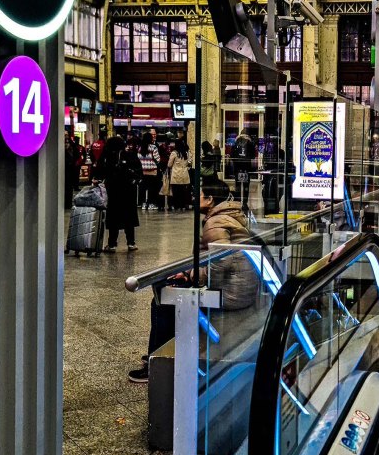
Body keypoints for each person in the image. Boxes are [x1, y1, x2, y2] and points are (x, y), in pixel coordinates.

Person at [127, 180, 258, 383]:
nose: (195, 198)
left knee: (163, 301)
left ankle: (156, 363)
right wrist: (189, 272)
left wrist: (193, 277)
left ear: (210, 199)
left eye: (199, 195)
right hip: (240, 286)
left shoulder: (215, 222)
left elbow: (222, 261)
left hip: (231, 293)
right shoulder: (229, 215)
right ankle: (159, 354)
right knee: (170, 293)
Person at [94, 136, 142, 252]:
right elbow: (139, 172)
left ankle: (112, 244)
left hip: (113, 191)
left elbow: (100, 171)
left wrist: (97, 179)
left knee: (114, 217)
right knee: (129, 216)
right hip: (129, 191)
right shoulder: (130, 155)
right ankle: (131, 243)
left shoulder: (107, 156)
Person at [232, 128, 256, 211]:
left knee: (238, 185)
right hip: (246, 167)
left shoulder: (236, 142)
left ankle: (238, 202)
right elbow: (253, 156)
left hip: (237, 167)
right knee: (246, 185)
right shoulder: (250, 142)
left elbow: (232, 155)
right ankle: (244, 203)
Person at [168, 139, 193, 210]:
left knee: (176, 191)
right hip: (184, 174)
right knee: (183, 191)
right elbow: (190, 163)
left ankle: (176, 205)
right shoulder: (186, 153)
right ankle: (182, 205)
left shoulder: (174, 153)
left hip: (176, 174)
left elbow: (169, 165)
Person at [138, 133, 160, 210]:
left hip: (143, 171)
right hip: (152, 171)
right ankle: (151, 204)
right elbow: (158, 159)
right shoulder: (153, 147)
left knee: (144, 187)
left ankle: (144, 204)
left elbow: (138, 158)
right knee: (152, 188)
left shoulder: (140, 148)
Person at [63, 135, 81, 209]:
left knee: (69, 189)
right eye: (65, 142)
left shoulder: (72, 150)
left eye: (67, 142)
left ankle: (68, 204)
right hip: (66, 173)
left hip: (70, 173)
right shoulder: (64, 152)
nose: (66, 144)